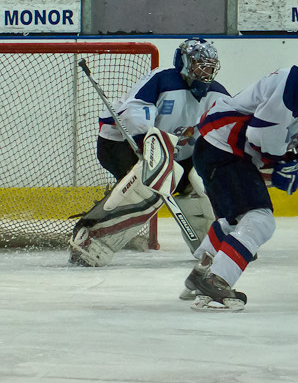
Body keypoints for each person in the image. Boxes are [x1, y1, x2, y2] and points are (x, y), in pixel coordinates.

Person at [183, 30, 298, 311]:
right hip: (222, 148)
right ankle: (217, 282)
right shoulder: (295, 83)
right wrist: (281, 162)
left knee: (236, 220)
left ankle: (202, 272)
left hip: (225, 151)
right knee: (260, 220)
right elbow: (261, 133)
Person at [69, 38, 229, 266]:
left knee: (196, 184)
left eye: (209, 65)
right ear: (183, 62)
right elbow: (134, 112)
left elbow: (229, 126)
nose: (205, 70)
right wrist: (149, 144)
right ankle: (91, 241)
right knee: (148, 182)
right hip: (120, 143)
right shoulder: (163, 78)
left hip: (173, 154)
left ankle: (215, 244)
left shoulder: (217, 94)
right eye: (199, 64)